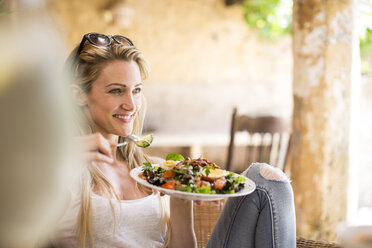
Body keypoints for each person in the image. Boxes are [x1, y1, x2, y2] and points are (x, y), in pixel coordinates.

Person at [53, 32, 296, 248]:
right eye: (116, 90)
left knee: (266, 180)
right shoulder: (56, 171)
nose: (131, 104)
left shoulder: (151, 172)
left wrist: (182, 196)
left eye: (136, 90)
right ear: (78, 95)